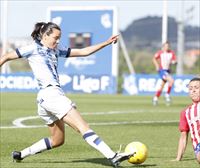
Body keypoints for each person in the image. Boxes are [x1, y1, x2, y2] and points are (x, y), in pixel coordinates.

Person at [0, 22, 134, 168]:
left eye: (60, 38)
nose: (58, 41)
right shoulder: (32, 48)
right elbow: (6, 56)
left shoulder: (56, 50)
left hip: (45, 99)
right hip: (51, 95)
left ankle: (20, 155)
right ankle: (112, 156)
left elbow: (84, 52)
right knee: (83, 127)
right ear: (45, 35)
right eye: (55, 38)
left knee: (57, 140)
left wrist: (106, 43)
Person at [173, 77, 200, 163]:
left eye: (196, 88)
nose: (193, 90)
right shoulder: (185, 112)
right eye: (190, 88)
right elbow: (183, 137)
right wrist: (178, 158)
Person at [152, 41, 177, 106]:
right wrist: (157, 66)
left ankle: (155, 98)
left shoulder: (171, 53)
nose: (167, 47)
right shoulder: (160, 53)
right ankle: (167, 95)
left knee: (162, 86)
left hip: (168, 71)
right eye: (165, 46)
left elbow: (174, 60)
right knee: (171, 80)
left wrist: (174, 62)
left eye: (168, 46)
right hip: (162, 70)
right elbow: (154, 58)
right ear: (163, 47)